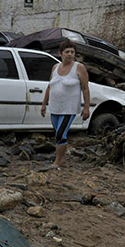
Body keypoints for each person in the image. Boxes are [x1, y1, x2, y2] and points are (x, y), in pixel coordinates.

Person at [40, 39, 90, 168]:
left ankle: (57, 162)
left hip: (69, 107)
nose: (70, 54)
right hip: (55, 106)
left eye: (72, 52)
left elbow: (85, 88)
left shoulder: (79, 67)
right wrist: (44, 104)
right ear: (60, 53)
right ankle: (63, 160)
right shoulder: (55, 67)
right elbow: (49, 87)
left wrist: (86, 108)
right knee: (59, 133)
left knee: (60, 133)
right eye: (67, 52)